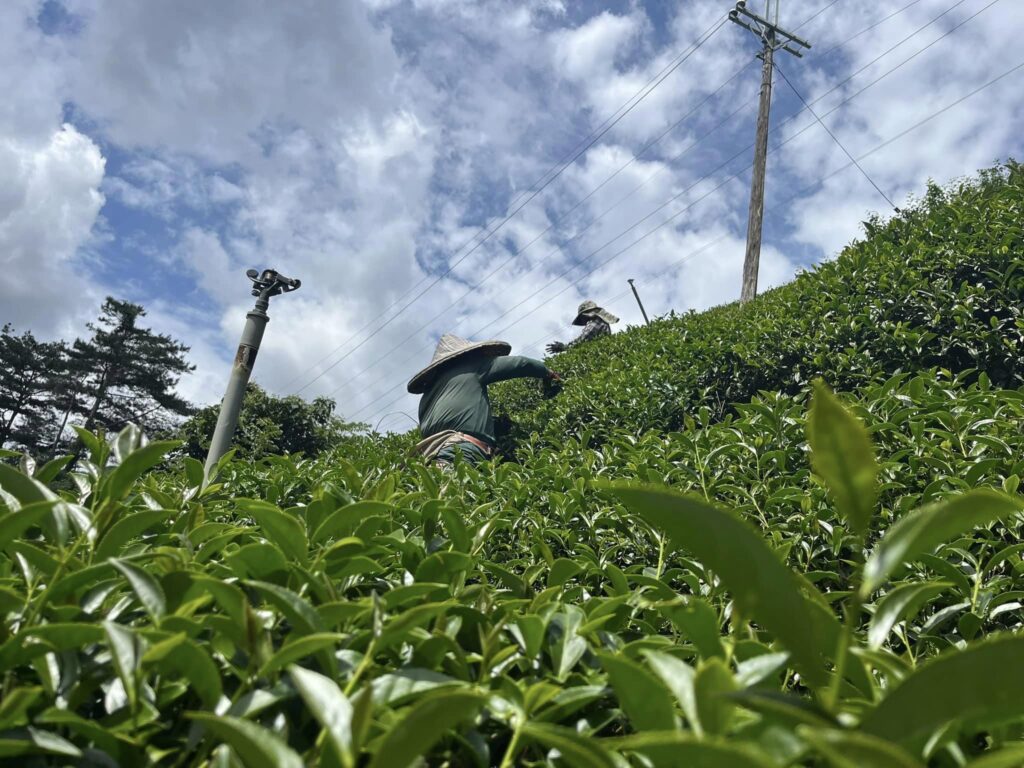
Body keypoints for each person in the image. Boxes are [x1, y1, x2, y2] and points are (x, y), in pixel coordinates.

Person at [408, 334, 561, 468]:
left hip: (427, 457)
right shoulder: (471, 367)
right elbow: (520, 364)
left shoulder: (426, 397)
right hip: (460, 451)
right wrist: (547, 372)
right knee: (453, 497)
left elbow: (454, 419)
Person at [546, 300, 619, 354]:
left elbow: (583, 339)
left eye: (581, 317)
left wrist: (564, 347)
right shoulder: (600, 322)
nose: (582, 320)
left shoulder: (595, 322)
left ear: (586, 314)